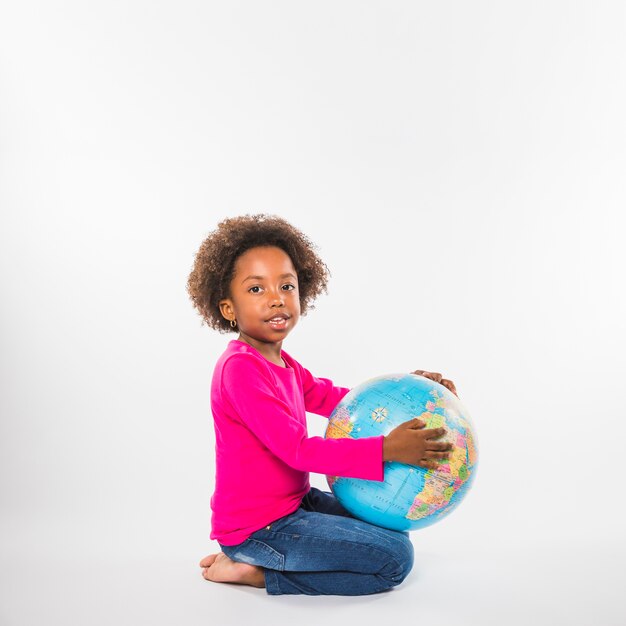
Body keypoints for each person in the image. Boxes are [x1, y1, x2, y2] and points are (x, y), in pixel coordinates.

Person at [186, 213, 459, 596]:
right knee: (395, 560)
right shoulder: (239, 370)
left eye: (286, 285)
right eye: (256, 290)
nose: (277, 298)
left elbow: (341, 402)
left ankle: (258, 561)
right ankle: (255, 571)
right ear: (228, 308)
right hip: (258, 528)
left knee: (388, 526)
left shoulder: (283, 364)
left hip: (293, 505)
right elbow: (298, 451)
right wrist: (386, 450)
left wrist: (413, 395)